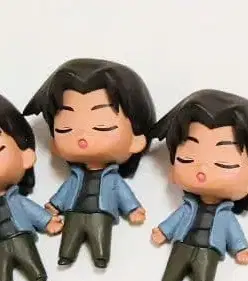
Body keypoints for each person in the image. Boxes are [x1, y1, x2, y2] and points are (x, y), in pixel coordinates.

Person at [149, 90, 248, 281]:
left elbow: (234, 232)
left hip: (210, 248)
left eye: (224, 164)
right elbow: (175, 219)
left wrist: (240, 248)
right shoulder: (188, 207)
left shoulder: (225, 216)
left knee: (204, 271)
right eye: (187, 159)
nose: (202, 169)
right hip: (183, 242)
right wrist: (163, 231)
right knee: (175, 266)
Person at [24, 59, 155, 268]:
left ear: (137, 140)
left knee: (99, 236)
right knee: (70, 236)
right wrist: (54, 205)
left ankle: (100, 255)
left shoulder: (113, 179)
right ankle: (66, 255)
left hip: (101, 212)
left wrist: (133, 209)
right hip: (74, 211)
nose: (82, 137)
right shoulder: (75, 177)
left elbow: (123, 194)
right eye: (66, 128)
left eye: (102, 127)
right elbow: (66, 191)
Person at [0, 95, 63, 281]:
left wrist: (47, 221)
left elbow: (30, 209)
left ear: (25, 155)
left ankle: (37, 275)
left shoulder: (15, 198)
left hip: (20, 234)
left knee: (28, 256)